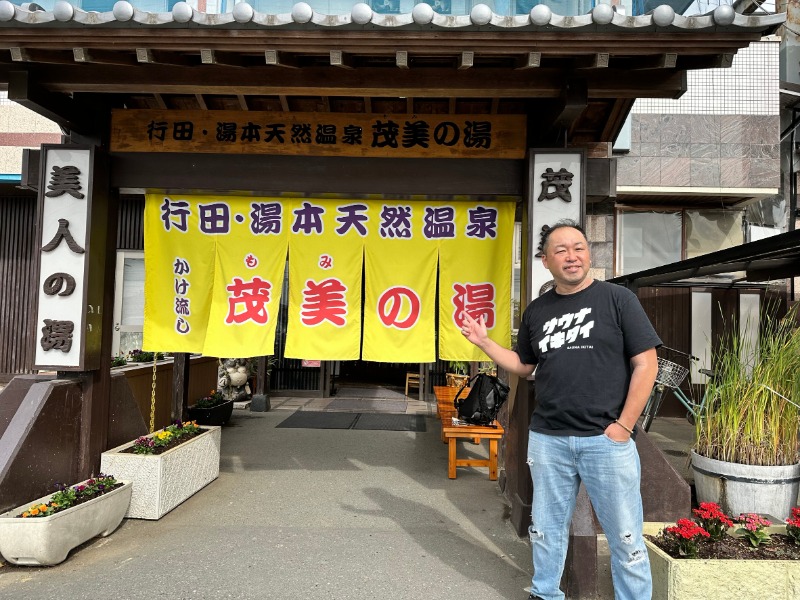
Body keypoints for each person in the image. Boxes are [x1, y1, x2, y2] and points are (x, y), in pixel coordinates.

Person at [460, 219, 660, 600]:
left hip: (607, 440)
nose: (572, 256)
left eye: (579, 247)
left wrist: (623, 427)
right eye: (561, 250)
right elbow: (524, 364)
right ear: (546, 260)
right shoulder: (538, 311)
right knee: (546, 528)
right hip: (549, 438)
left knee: (625, 534)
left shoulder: (619, 300)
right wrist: (485, 343)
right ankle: (545, 592)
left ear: (588, 253)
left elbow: (645, 364)